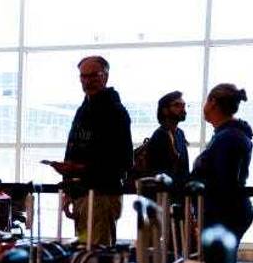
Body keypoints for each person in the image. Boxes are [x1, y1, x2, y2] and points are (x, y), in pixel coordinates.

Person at [47, 56, 133, 245]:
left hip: (101, 194)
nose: (87, 81)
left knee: (96, 253)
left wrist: (80, 169)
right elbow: (74, 148)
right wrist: (69, 189)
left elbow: (123, 160)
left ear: (105, 76)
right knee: (86, 249)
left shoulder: (115, 112)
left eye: (93, 76)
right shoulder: (84, 109)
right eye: (83, 77)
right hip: (83, 194)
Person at [190, 84, 253, 241]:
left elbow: (224, 184)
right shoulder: (230, 135)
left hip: (222, 217)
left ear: (212, 102)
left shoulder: (228, 138)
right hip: (227, 214)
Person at [142, 91, 190, 185]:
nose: (182, 109)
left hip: (179, 192)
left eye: (183, 105)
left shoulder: (180, 133)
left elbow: (184, 168)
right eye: (177, 105)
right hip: (163, 193)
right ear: (165, 110)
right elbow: (156, 172)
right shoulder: (160, 135)